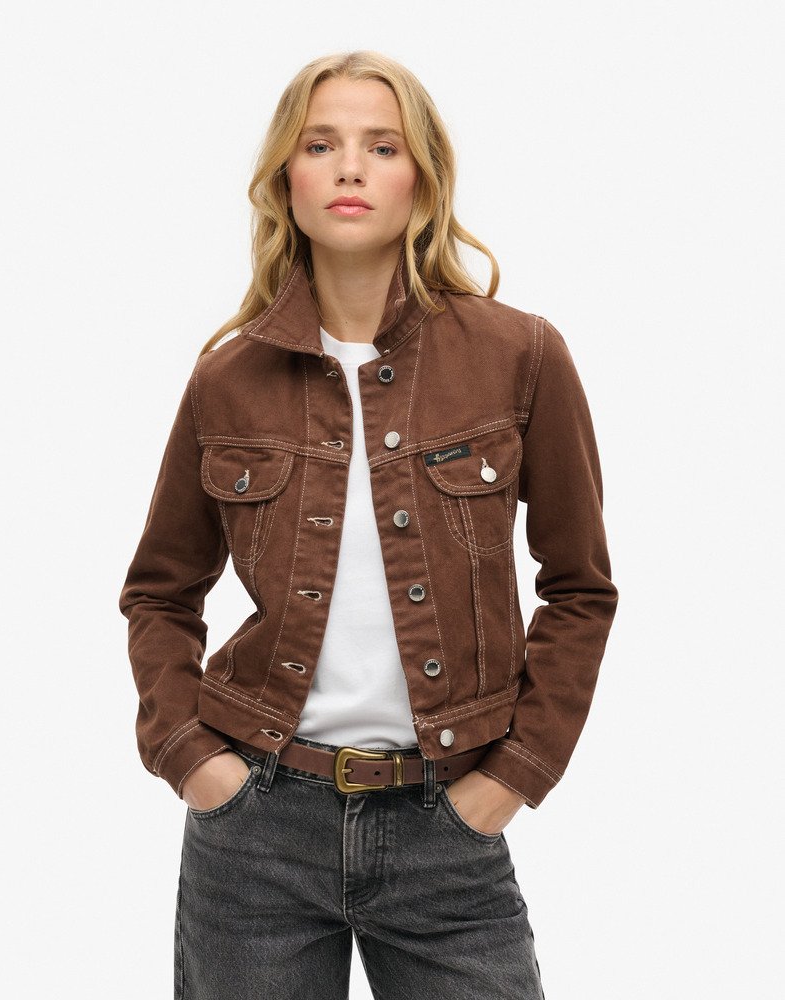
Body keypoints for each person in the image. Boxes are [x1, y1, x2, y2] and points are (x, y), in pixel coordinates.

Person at [118, 49, 618, 999]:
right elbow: (159, 593)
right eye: (321, 145)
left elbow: (580, 588)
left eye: (382, 147)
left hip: (448, 826)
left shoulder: (520, 356)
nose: (350, 167)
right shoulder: (227, 378)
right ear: (286, 180)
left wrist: (513, 776)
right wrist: (192, 760)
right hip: (254, 833)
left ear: (421, 179)